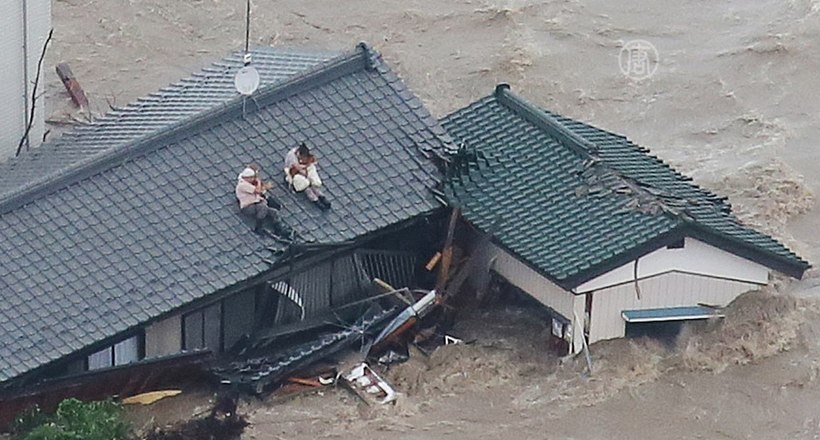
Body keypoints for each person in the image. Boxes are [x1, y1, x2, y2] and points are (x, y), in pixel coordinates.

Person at [235, 166, 289, 236]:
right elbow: (257, 191)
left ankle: (278, 229)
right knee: (262, 207)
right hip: (248, 207)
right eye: (252, 177)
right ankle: (258, 227)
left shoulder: (248, 184)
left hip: (256, 205)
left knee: (274, 212)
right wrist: (258, 182)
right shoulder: (242, 185)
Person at [284, 142, 330, 210]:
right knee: (305, 186)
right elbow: (294, 169)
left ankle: (321, 196)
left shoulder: (305, 153)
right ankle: (315, 200)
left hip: (303, 170)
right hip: (293, 173)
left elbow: (312, 161)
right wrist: (304, 174)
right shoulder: (292, 157)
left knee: (313, 182)